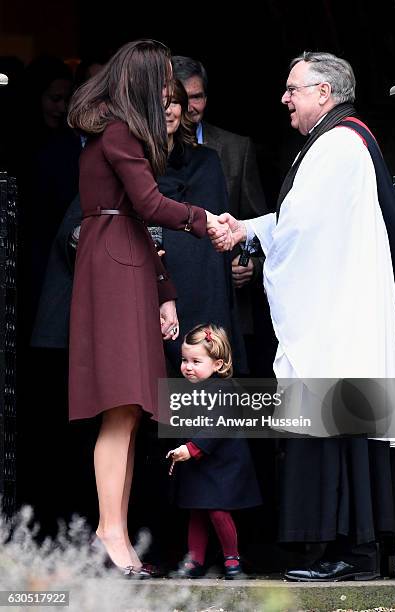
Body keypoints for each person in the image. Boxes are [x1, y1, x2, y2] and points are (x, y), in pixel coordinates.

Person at [209, 51, 395, 581]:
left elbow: (302, 232)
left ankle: (351, 552)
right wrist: (247, 228)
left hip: (337, 323)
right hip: (342, 316)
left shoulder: (338, 145)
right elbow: (299, 220)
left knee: (338, 433)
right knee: (344, 430)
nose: (285, 98)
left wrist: (252, 239)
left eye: (293, 88)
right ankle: (346, 550)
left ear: (324, 93)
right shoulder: (339, 141)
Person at [66, 39, 229, 577]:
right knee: (120, 409)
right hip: (114, 265)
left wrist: (164, 290)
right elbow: (151, 206)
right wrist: (208, 222)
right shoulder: (118, 132)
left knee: (131, 410)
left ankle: (114, 534)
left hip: (124, 260)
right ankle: (109, 531)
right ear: (139, 80)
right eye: (161, 79)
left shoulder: (116, 132)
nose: (169, 90)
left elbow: (142, 223)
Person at [172, 56, 273, 374]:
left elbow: (258, 222)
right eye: (181, 98)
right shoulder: (144, 151)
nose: (190, 106)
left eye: (198, 96)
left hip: (226, 302)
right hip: (170, 303)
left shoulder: (235, 148)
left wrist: (251, 267)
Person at [154, 78, 247, 374]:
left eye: (174, 103)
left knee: (206, 385)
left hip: (207, 290)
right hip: (160, 287)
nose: (168, 110)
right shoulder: (135, 164)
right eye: (159, 103)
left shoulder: (208, 161)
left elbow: (220, 233)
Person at [166, 323, 262, 579]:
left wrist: (192, 447)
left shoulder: (225, 391)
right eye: (184, 360)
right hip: (198, 464)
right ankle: (194, 560)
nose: (187, 366)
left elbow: (216, 426)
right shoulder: (187, 390)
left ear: (217, 364)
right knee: (196, 510)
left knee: (218, 511)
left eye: (196, 361)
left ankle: (232, 559)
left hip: (222, 464)